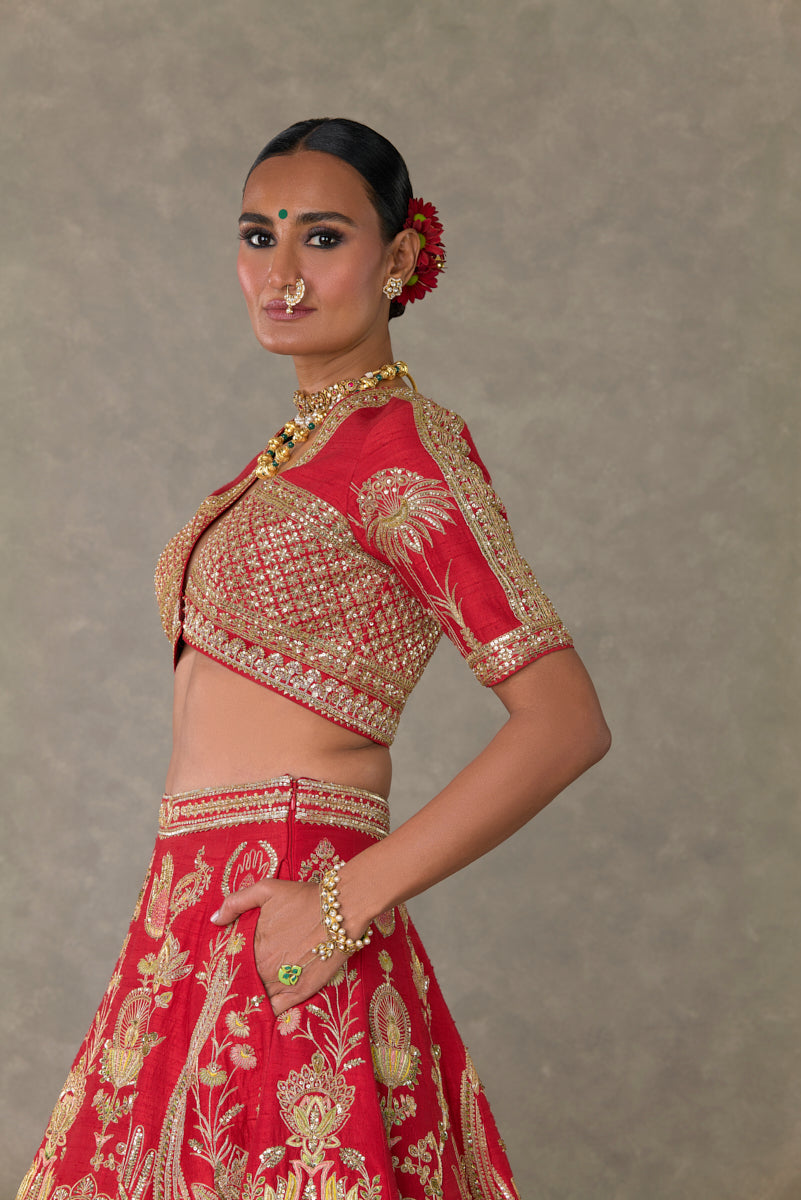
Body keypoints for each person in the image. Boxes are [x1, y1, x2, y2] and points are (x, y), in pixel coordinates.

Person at [17, 118, 610, 1200]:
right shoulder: (292, 454)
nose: (280, 274)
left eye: (322, 238)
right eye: (258, 236)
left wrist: (338, 905)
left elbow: (564, 721)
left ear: (399, 257)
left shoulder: (400, 450)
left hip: (291, 914)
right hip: (186, 918)